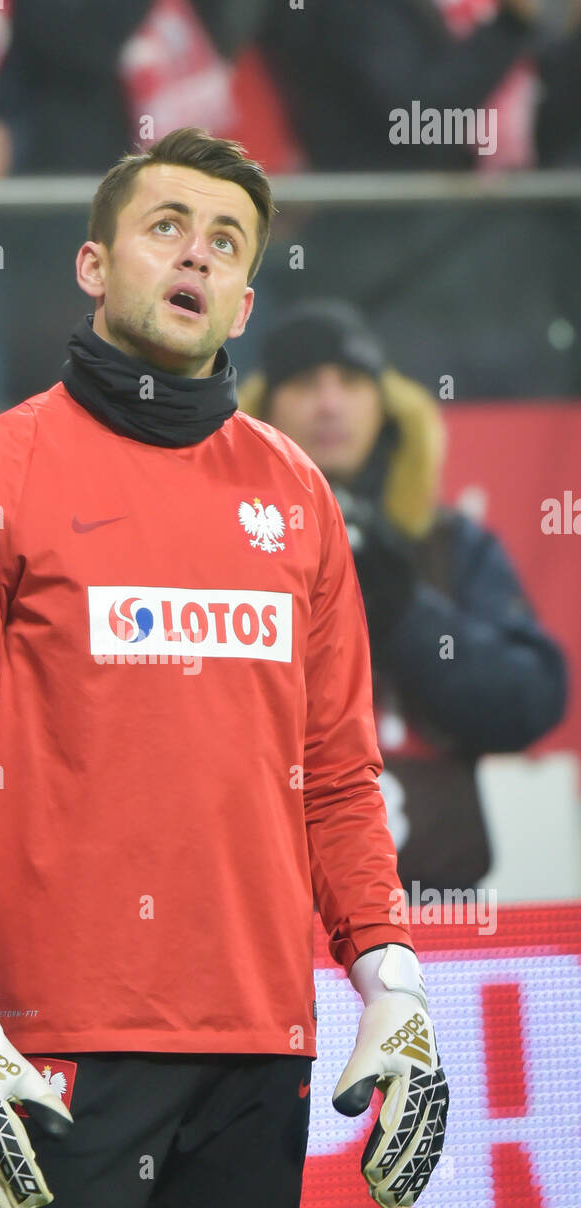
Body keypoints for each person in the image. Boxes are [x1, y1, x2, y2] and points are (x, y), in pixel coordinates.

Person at [0, 128, 449, 1208]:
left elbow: (335, 774)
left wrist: (390, 981)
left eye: (225, 241)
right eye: (166, 227)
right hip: (46, 1050)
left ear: (241, 303)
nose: (195, 254)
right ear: (94, 265)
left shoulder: (297, 497)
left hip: (256, 1055)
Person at [239, 299, 568, 897]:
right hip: (271, 912)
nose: (330, 401)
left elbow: (531, 701)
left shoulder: (448, 543)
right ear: (264, 410)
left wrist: (405, 614)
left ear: (385, 407)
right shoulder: (224, 548)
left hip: (442, 919)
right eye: (307, 382)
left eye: (352, 382)